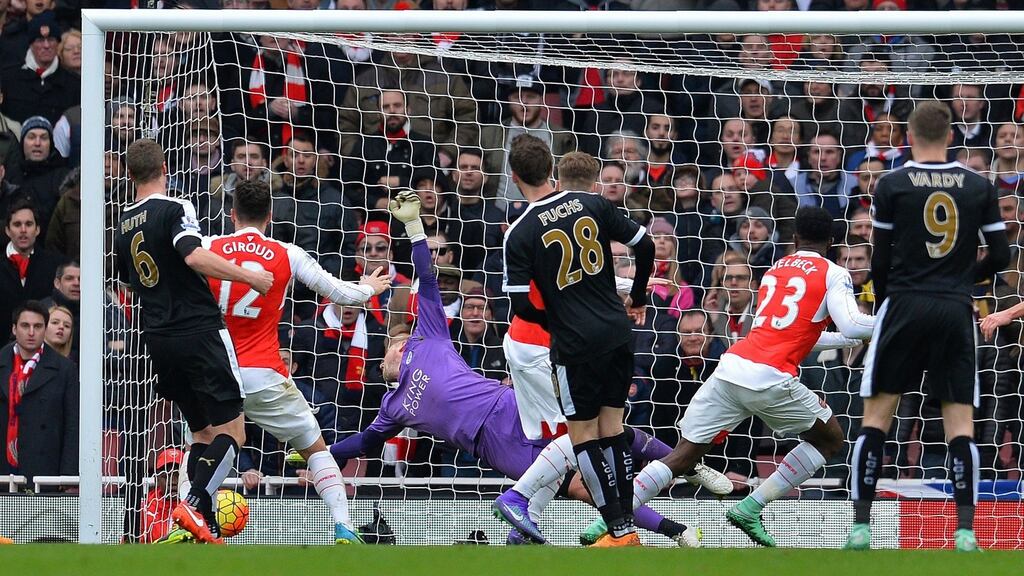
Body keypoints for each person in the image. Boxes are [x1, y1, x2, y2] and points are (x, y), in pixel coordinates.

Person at [324, 191, 697, 547]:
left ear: (398, 345)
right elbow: (364, 443)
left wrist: (414, 229)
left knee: (598, 434)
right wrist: (319, 452)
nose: (380, 362)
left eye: (384, 353)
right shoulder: (393, 407)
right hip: (491, 443)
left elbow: (429, 280)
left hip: (512, 406)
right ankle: (675, 529)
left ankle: (686, 462)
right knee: (582, 483)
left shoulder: (429, 337)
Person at [625, 207, 875, 548]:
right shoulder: (833, 273)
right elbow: (852, 324)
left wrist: (853, 337)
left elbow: (793, 333)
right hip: (770, 377)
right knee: (829, 439)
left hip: (732, 367)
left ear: (795, 239)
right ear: (831, 242)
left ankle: (612, 519)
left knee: (682, 455)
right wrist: (893, 324)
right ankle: (751, 507)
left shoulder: (775, 270)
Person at [847, 101, 1010, 553]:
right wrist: (961, 279)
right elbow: (1001, 257)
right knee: (960, 424)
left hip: (903, 303)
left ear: (909, 137)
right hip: (955, 307)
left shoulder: (892, 183)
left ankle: (860, 526)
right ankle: (965, 533)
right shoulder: (978, 185)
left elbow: (878, 257)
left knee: (876, 418)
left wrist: (886, 301)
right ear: (951, 137)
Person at [196, 179, 389, 544]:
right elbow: (338, 291)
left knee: (205, 442)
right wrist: (369, 289)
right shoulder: (288, 253)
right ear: (270, 216)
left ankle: (189, 517)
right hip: (265, 372)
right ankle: (344, 526)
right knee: (315, 448)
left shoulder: (208, 247)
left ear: (232, 214)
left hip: (217, 370)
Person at [115, 138, 273, 545]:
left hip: (158, 339)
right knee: (235, 433)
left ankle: (187, 522)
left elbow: (126, 282)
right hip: (199, 330)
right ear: (165, 167)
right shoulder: (175, 208)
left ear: (129, 174)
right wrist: (249, 276)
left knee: (202, 433)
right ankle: (195, 501)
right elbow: (192, 254)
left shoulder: (123, 222)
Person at [501, 134, 655, 547]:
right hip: (619, 335)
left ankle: (620, 528)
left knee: (582, 434)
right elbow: (646, 245)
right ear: (551, 168)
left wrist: (558, 323)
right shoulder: (594, 204)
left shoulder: (520, 232)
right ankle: (625, 532)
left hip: (575, 346)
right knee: (613, 429)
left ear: (515, 178)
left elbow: (519, 304)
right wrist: (637, 298)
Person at [0, 301, 79, 489]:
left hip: (44, 469)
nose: (31, 332)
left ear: (44, 329)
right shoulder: (2, 362)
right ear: (14, 328)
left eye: (38, 326)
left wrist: (68, 476)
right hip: (3, 465)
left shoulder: (65, 369)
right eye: (25, 326)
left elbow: (72, 424)